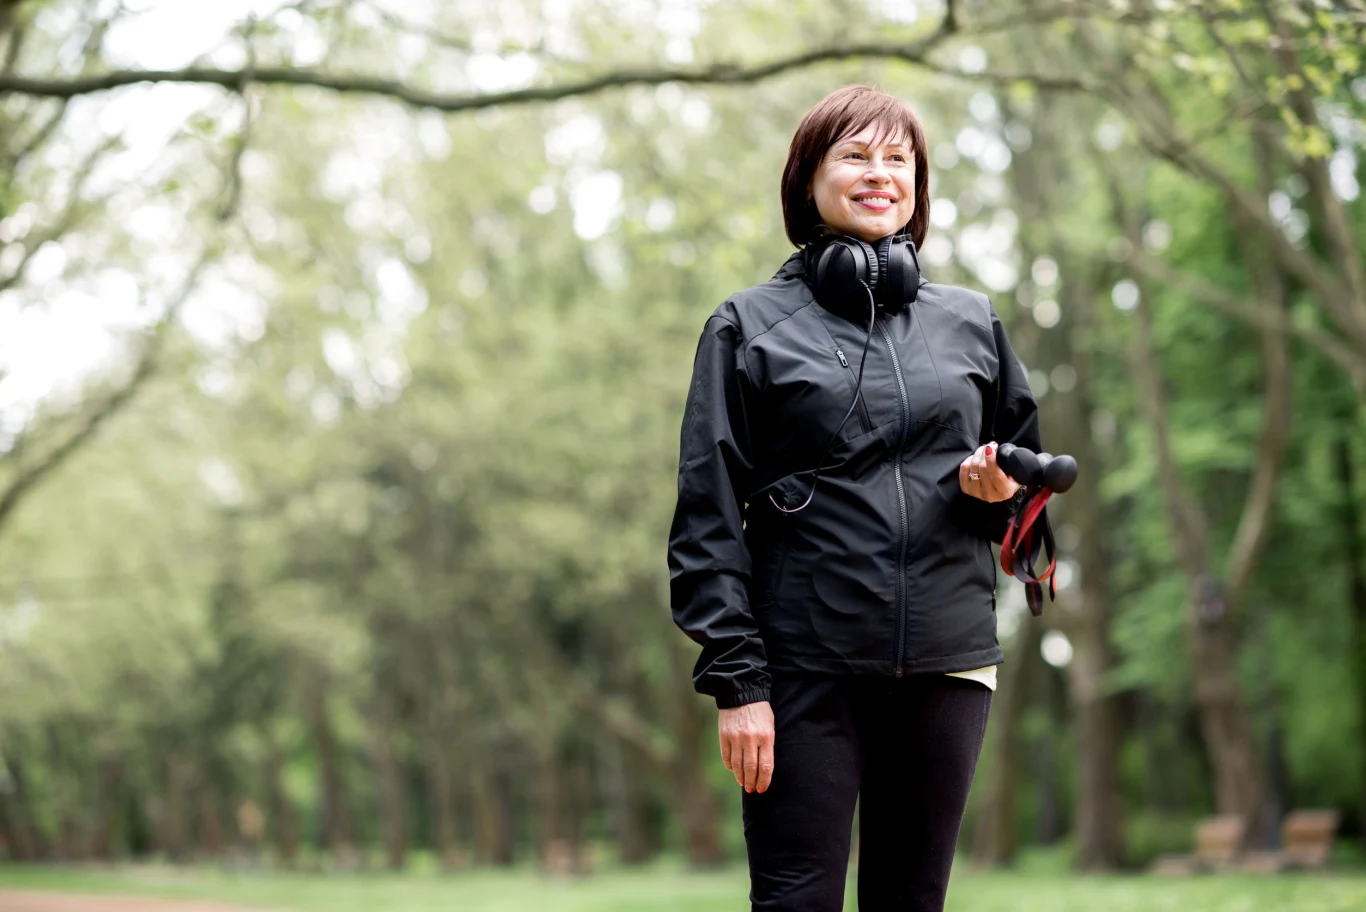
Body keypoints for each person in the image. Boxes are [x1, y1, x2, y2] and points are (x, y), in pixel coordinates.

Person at [667, 84, 1047, 911]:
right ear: (808, 181)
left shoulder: (973, 323)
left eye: (898, 159)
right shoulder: (746, 327)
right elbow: (706, 517)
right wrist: (739, 685)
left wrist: (1000, 495)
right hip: (802, 668)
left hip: (948, 664)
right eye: (856, 155)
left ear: (918, 186)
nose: (880, 174)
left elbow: (1025, 512)